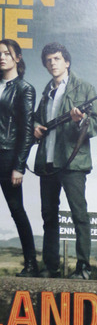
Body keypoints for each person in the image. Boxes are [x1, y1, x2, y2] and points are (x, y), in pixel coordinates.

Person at [32, 42, 97, 279]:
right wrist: (35, 127)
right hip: (47, 162)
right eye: (48, 60)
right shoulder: (46, 92)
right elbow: (37, 120)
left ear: (67, 62)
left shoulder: (85, 88)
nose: (52, 63)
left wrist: (79, 121)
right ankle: (50, 267)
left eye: (57, 59)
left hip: (73, 163)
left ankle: (83, 267)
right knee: (49, 216)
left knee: (79, 215)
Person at [0, 39, 38, 277]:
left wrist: (19, 166)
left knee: (16, 209)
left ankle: (31, 264)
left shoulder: (25, 89)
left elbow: (26, 130)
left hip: (7, 155)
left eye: (6, 53)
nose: (2, 57)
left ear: (17, 57)